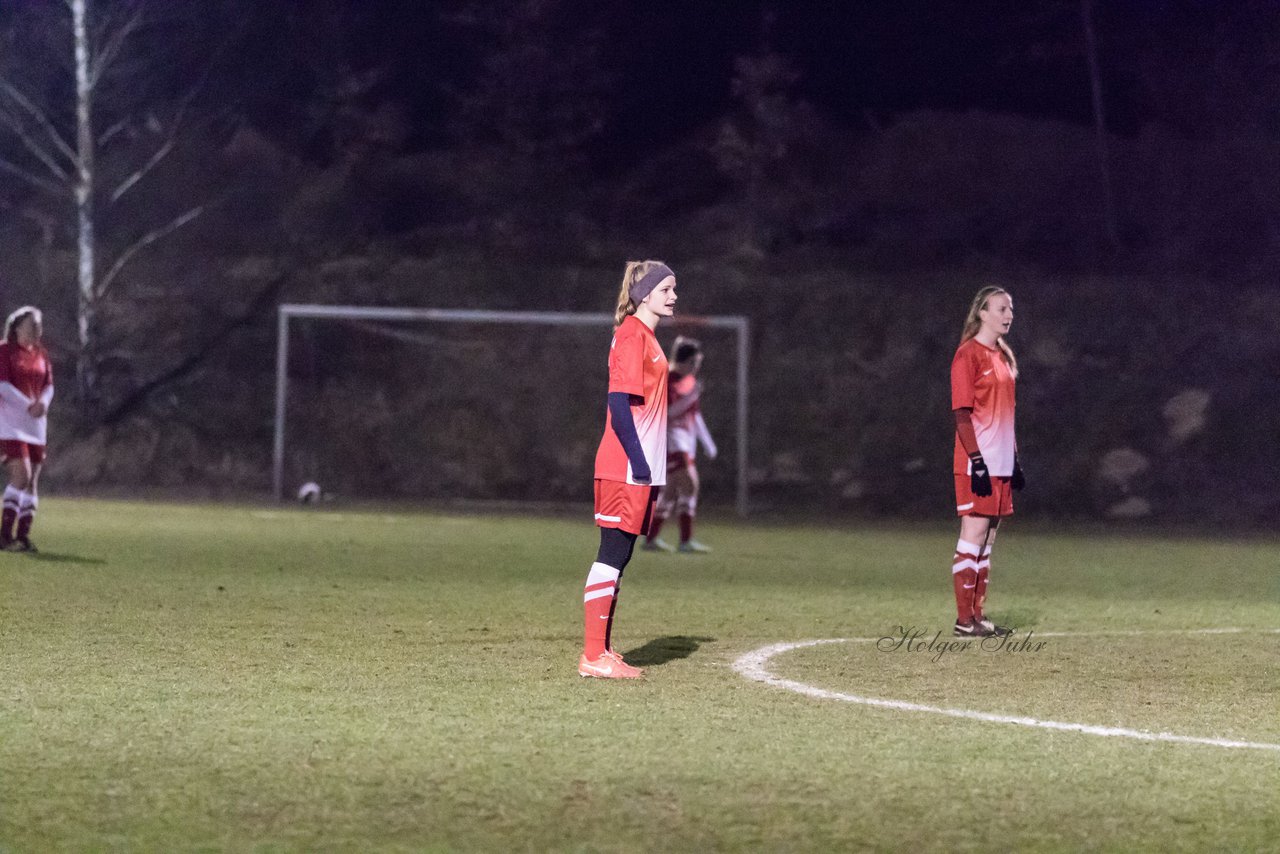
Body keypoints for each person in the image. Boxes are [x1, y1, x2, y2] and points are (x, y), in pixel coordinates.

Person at [579, 260, 677, 679]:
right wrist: (638, 462)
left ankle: (602, 650)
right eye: (667, 289)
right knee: (611, 555)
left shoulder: (647, 337)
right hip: (625, 468)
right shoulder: (631, 335)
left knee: (621, 559)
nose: (674, 296)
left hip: (640, 469)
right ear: (645, 293)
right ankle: (592, 655)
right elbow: (618, 404)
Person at [949, 286, 1023, 638]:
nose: (1008, 314)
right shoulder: (968, 355)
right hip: (976, 462)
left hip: (1001, 462)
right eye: (1001, 308)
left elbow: (1006, 415)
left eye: (1010, 309)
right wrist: (976, 461)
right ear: (982, 313)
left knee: (988, 539)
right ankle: (964, 620)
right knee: (973, 534)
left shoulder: (1004, 357)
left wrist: (1014, 457)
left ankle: (978, 617)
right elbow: (963, 414)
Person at [644, 336, 717, 553]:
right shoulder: (666, 379)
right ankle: (685, 541)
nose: (696, 367)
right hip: (669, 440)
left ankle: (651, 539)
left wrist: (707, 442)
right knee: (690, 484)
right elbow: (665, 413)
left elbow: (694, 415)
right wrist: (691, 397)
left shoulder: (690, 382)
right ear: (684, 361)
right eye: (694, 363)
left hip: (684, 441)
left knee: (671, 491)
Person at [0, 306, 54, 552]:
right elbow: (2, 385)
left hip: (35, 425)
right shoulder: (4, 350)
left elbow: (49, 385)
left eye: (40, 325)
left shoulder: (42, 353)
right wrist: (28, 405)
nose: (38, 329)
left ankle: (22, 536)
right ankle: (3, 536)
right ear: (18, 325)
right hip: (10, 423)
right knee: (21, 475)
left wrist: (43, 403)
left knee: (32, 482)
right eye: (33, 324)